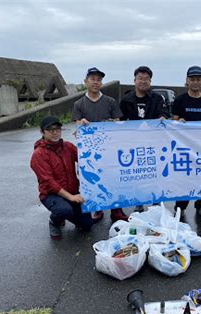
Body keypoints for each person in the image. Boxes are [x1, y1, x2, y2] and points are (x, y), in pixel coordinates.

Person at [72, 67, 128, 223]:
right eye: (93, 79)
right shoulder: (79, 103)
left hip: (109, 149)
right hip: (90, 152)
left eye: (99, 80)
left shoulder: (110, 101)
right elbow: (77, 124)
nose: (96, 82)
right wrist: (81, 123)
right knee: (93, 180)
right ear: (86, 82)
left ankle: (117, 210)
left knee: (113, 178)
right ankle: (97, 208)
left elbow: (117, 122)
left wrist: (107, 123)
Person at [30, 116, 93, 240]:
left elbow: (86, 156)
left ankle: (66, 213)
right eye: (50, 130)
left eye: (57, 129)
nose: (55, 132)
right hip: (51, 194)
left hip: (72, 191)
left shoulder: (68, 146)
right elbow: (49, 182)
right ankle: (55, 221)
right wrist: (71, 197)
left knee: (87, 225)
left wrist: (86, 133)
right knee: (64, 210)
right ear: (42, 132)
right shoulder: (38, 155)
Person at [120, 66, 169, 213]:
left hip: (154, 143)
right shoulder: (126, 100)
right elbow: (119, 121)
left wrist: (163, 118)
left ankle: (156, 201)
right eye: (140, 78)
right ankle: (139, 201)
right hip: (134, 144)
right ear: (134, 80)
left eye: (146, 79)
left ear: (150, 81)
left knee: (156, 173)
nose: (143, 81)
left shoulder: (157, 98)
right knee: (138, 173)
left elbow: (165, 114)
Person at [172, 65, 201, 218]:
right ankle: (180, 206)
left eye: (198, 79)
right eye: (192, 79)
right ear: (187, 81)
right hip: (185, 148)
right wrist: (179, 122)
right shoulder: (180, 100)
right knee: (185, 178)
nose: (195, 82)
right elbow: (174, 122)